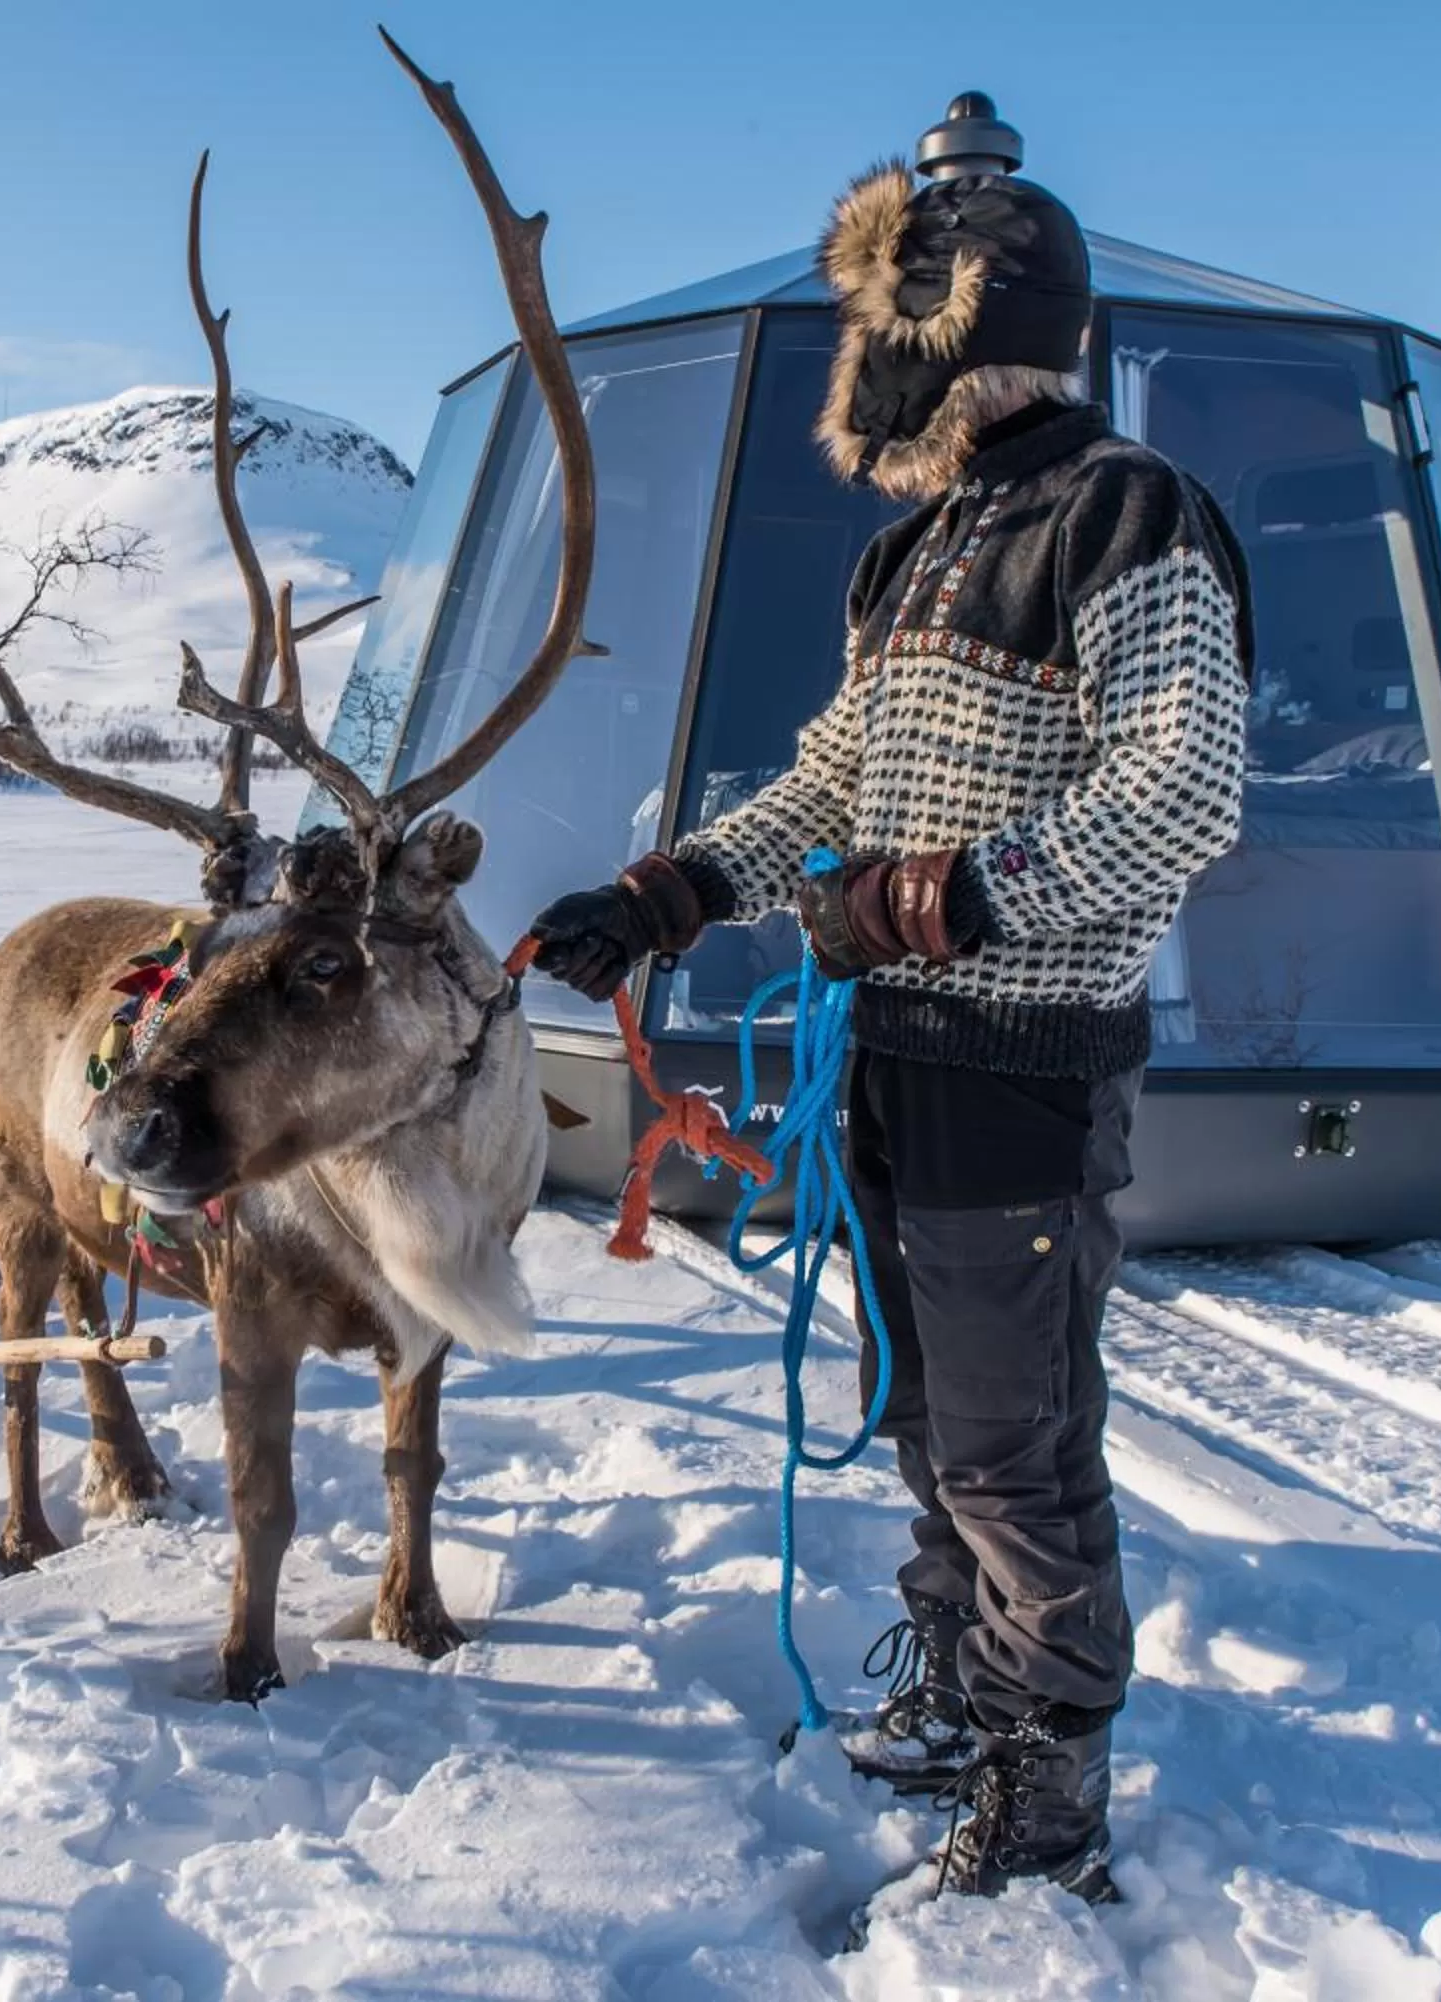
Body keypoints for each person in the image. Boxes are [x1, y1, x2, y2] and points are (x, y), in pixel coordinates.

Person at [527, 112, 1250, 1904]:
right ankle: (959, 1684)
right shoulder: (915, 549)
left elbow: (1184, 788)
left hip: (1026, 1068)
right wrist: (672, 888)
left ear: (956, 338)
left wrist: (946, 894)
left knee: (1015, 1451)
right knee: (929, 1423)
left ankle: (1048, 1784)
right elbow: (833, 780)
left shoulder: (1123, 512)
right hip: (897, 1061)